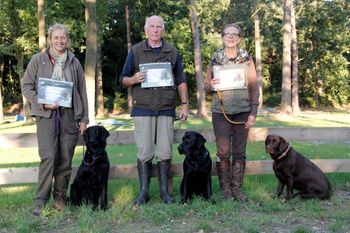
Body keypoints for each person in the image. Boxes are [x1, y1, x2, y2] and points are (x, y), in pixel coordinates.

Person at [119, 15, 189, 205]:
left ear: (163, 30)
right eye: (152, 26)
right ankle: (144, 192)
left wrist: (184, 104)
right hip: (143, 109)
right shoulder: (135, 51)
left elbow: (181, 79)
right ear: (146, 29)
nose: (156, 30)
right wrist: (134, 79)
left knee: (165, 152)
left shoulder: (172, 51)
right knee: (144, 152)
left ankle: (165, 193)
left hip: (166, 108)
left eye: (159, 27)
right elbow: (123, 79)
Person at [21, 23, 89, 215]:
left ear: (67, 40)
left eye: (63, 37)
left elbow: (82, 92)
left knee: (66, 159)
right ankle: (40, 200)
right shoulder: (38, 60)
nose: (60, 41)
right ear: (50, 39)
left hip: (69, 116)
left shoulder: (74, 62)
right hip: (46, 116)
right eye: (56, 37)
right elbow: (26, 86)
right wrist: (42, 103)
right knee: (49, 157)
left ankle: (60, 196)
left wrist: (84, 118)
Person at [204, 23, 259, 201]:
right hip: (221, 112)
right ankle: (226, 190)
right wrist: (210, 85)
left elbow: (253, 87)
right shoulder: (215, 59)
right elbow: (206, 86)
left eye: (234, 34)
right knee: (223, 151)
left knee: (240, 151)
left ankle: (237, 189)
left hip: (243, 111)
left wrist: (253, 112)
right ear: (222, 37)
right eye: (227, 34)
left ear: (239, 38)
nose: (231, 37)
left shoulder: (247, 59)